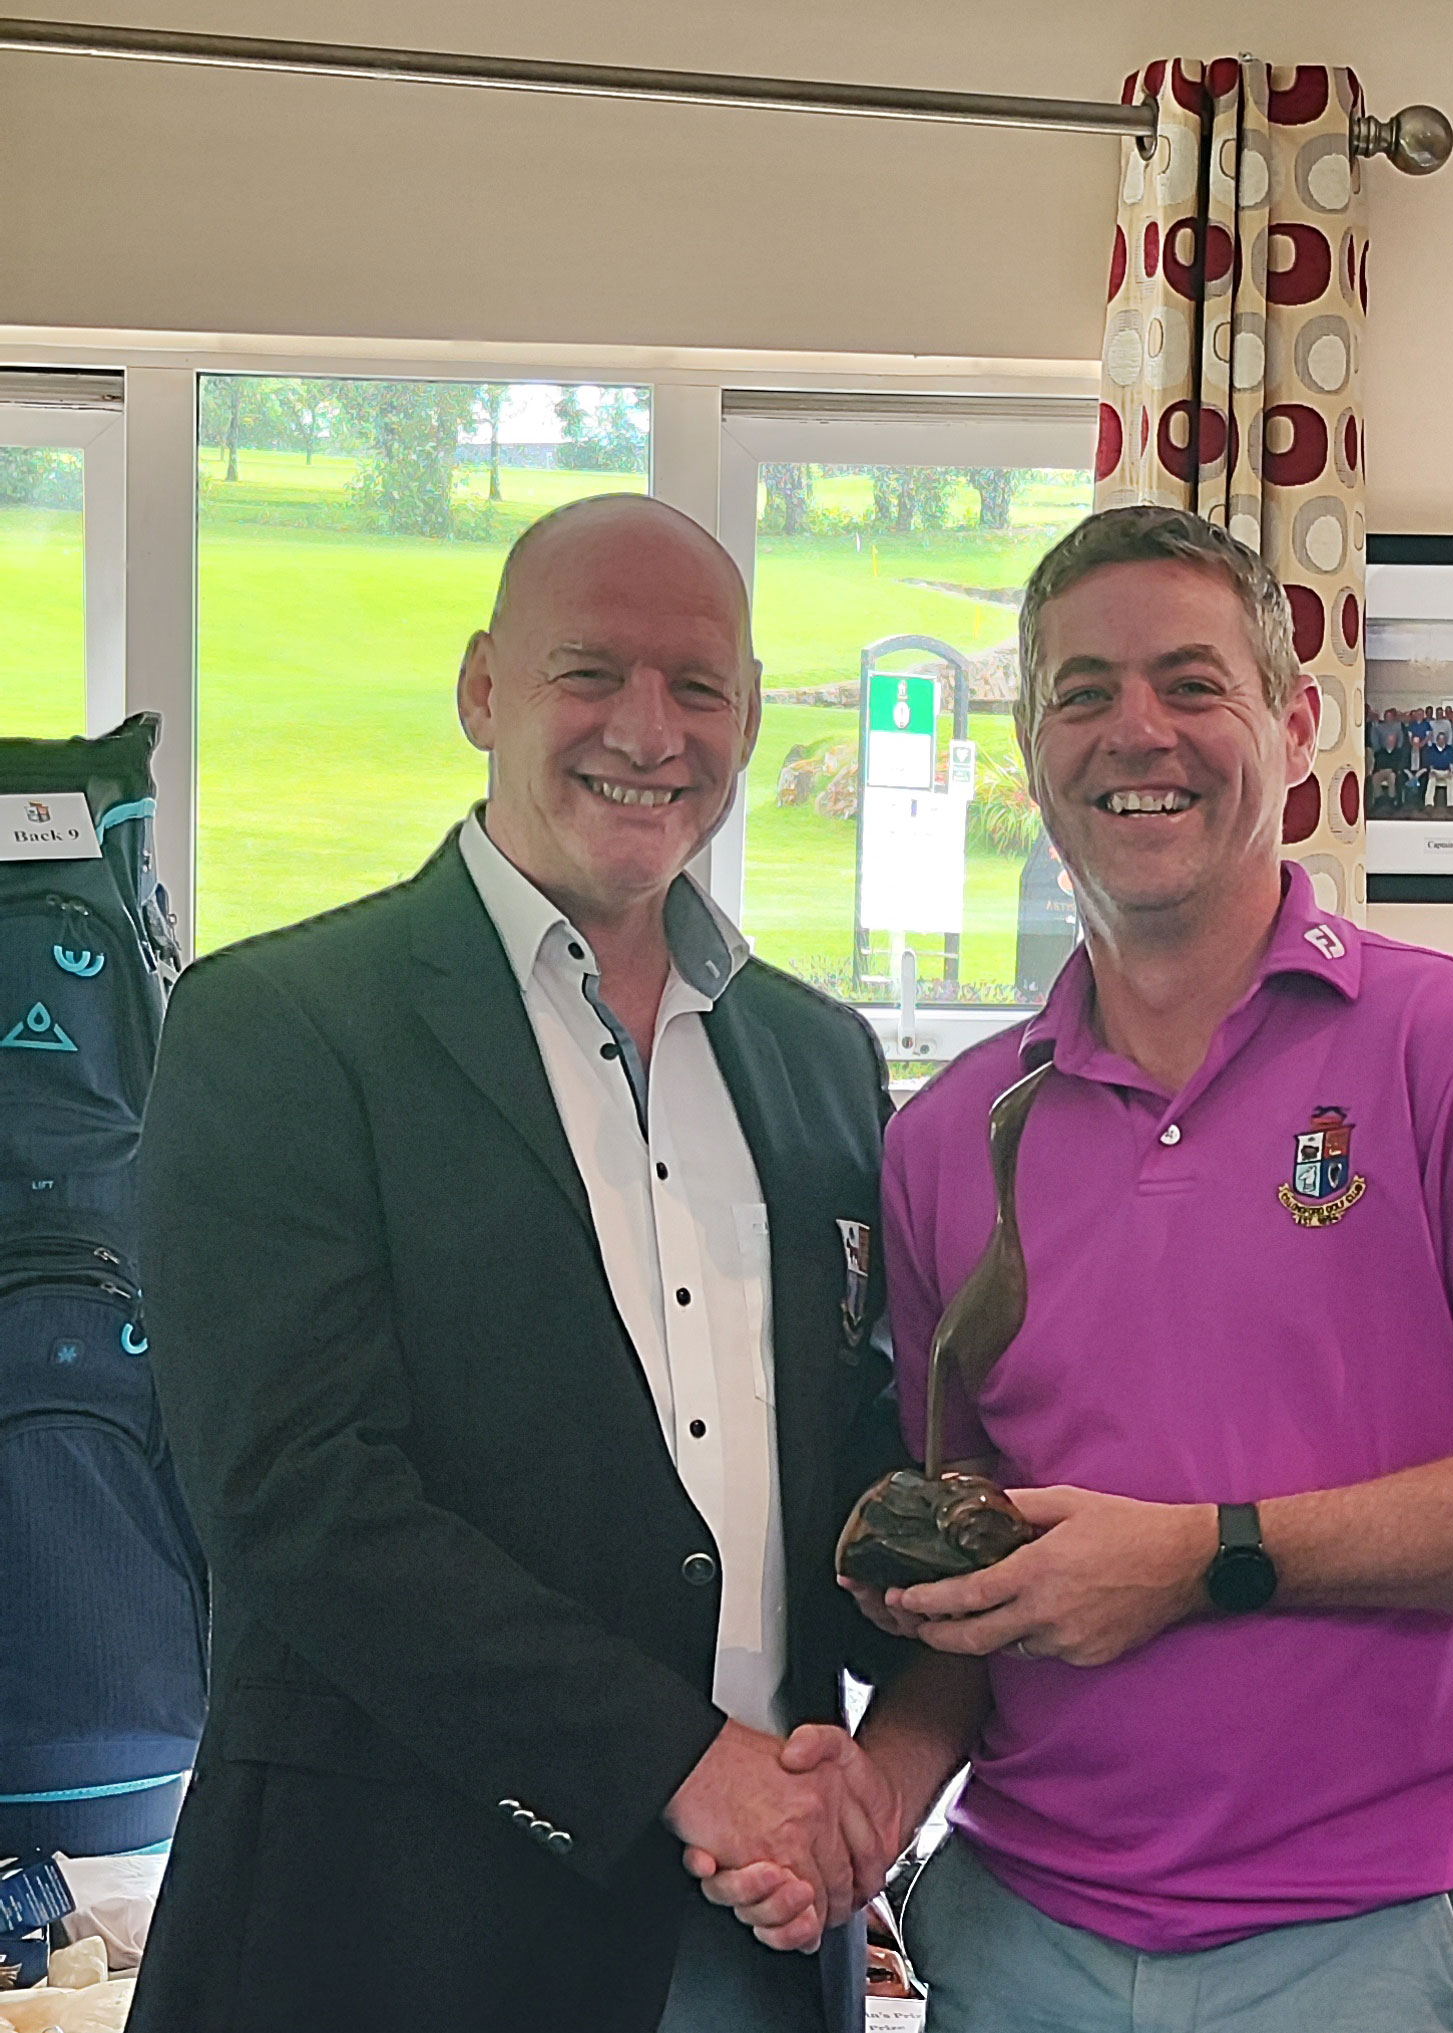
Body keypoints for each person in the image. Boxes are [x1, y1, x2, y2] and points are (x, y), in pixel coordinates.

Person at [814, 506, 1453, 2033]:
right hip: (1023, 1944)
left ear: (1292, 725)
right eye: (1082, 692)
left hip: (1376, 1948)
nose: (1134, 729)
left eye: (1190, 683)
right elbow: (983, 1577)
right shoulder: (949, 1137)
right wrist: (870, 1797)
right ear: (1033, 750)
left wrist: (1212, 1552)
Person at [127, 495, 944, 2033]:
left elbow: (837, 1465)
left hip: (758, 1942)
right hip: (390, 1938)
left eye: (698, 686)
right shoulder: (279, 1032)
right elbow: (299, 1502)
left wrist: (891, 1731)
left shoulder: (821, 1060)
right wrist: (687, 1771)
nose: (648, 728)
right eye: (592, 672)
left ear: (751, 717)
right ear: (482, 689)